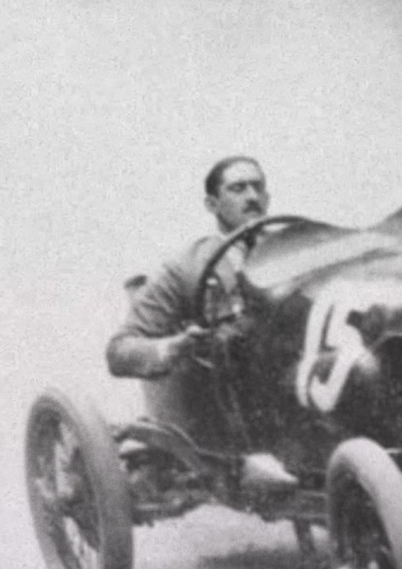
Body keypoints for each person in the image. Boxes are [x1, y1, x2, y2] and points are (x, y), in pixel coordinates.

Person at [107, 156, 296, 488]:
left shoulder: (298, 247)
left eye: (258, 187)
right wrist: (172, 347)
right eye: (237, 188)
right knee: (232, 339)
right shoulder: (187, 267)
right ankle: (255, 461)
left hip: (302, 377)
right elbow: (121, 350)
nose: (251, 196)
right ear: (212, 204)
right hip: (237, 400)